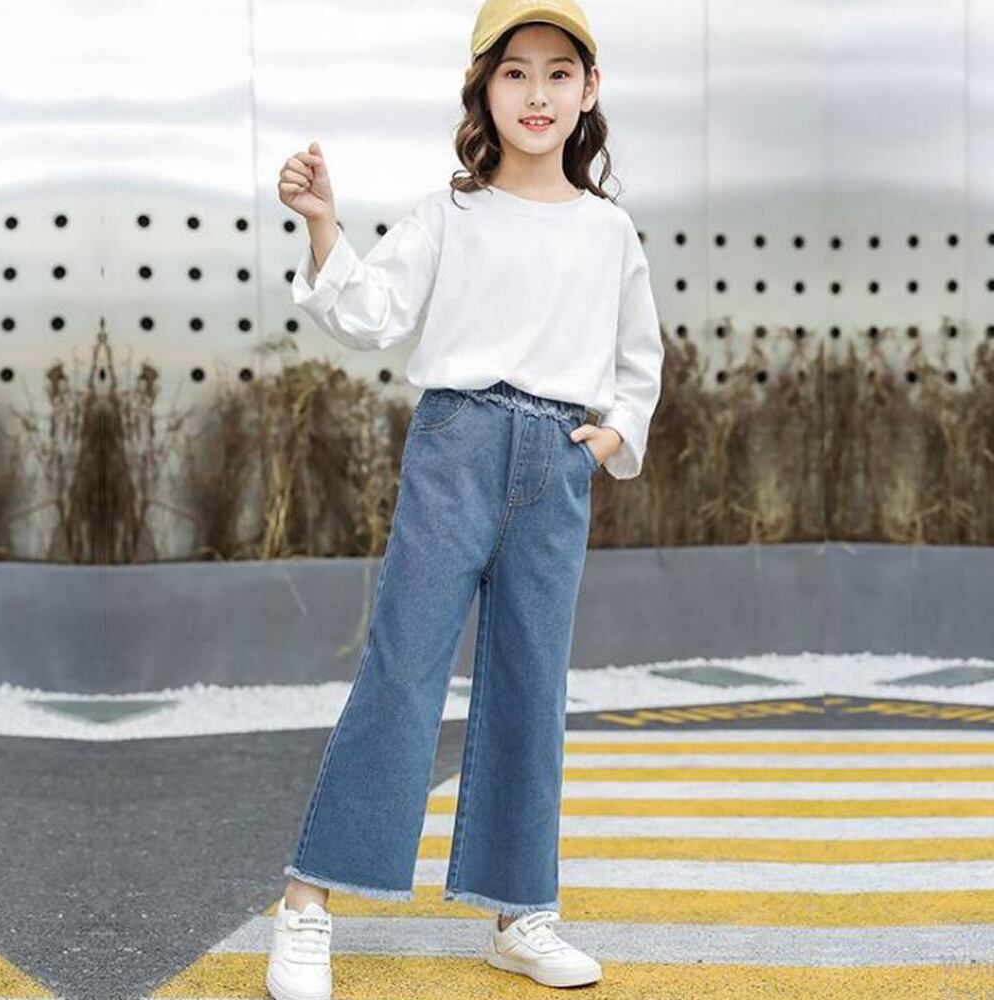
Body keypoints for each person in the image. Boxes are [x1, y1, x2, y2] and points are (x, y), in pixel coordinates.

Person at [267, 1, 662, 996]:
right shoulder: (451, 213)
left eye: (559, 72)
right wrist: (323, 224)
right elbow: (370, 315)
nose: (537, 93)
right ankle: (307, 904)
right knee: (401, 672)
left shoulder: (609, 231)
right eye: (514, 72)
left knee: (532, 685)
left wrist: (614, 434)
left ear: (590, 90)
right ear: (483, 89)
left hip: (555, 464)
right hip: (456, 446)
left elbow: (639, 357)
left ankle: (520, 912)